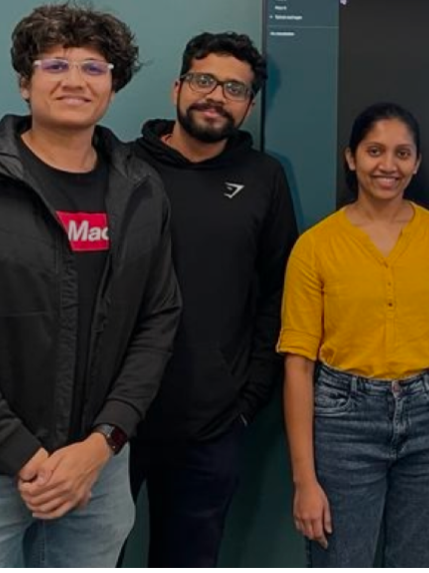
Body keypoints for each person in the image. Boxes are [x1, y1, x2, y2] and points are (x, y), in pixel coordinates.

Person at [0, 0, 180, 567]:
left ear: (112, 88)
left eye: (94, 68)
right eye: (55, 65)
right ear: (25, 83)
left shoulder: (141, 190)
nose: (76, 80)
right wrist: (27, 456)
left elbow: (158, 320)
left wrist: (101, 445)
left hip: (95, 471)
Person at [280, 103, 429, 567]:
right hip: (344, 422)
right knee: (340, 559)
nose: (388, 165)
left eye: (402, 153)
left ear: (416, 163)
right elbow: (298, 364)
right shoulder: (315, 246)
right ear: (351, 158)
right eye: (374, 151)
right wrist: (304, 481)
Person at [128, 32, 298, 567]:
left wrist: (247, 400)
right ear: (178, 86)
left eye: (234, 88)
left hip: (211, 425)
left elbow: (279, 290)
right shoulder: (121, 168)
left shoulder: (264, 178)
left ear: (249, 105)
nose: (215, 96)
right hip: (110, 422)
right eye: (204, 80)